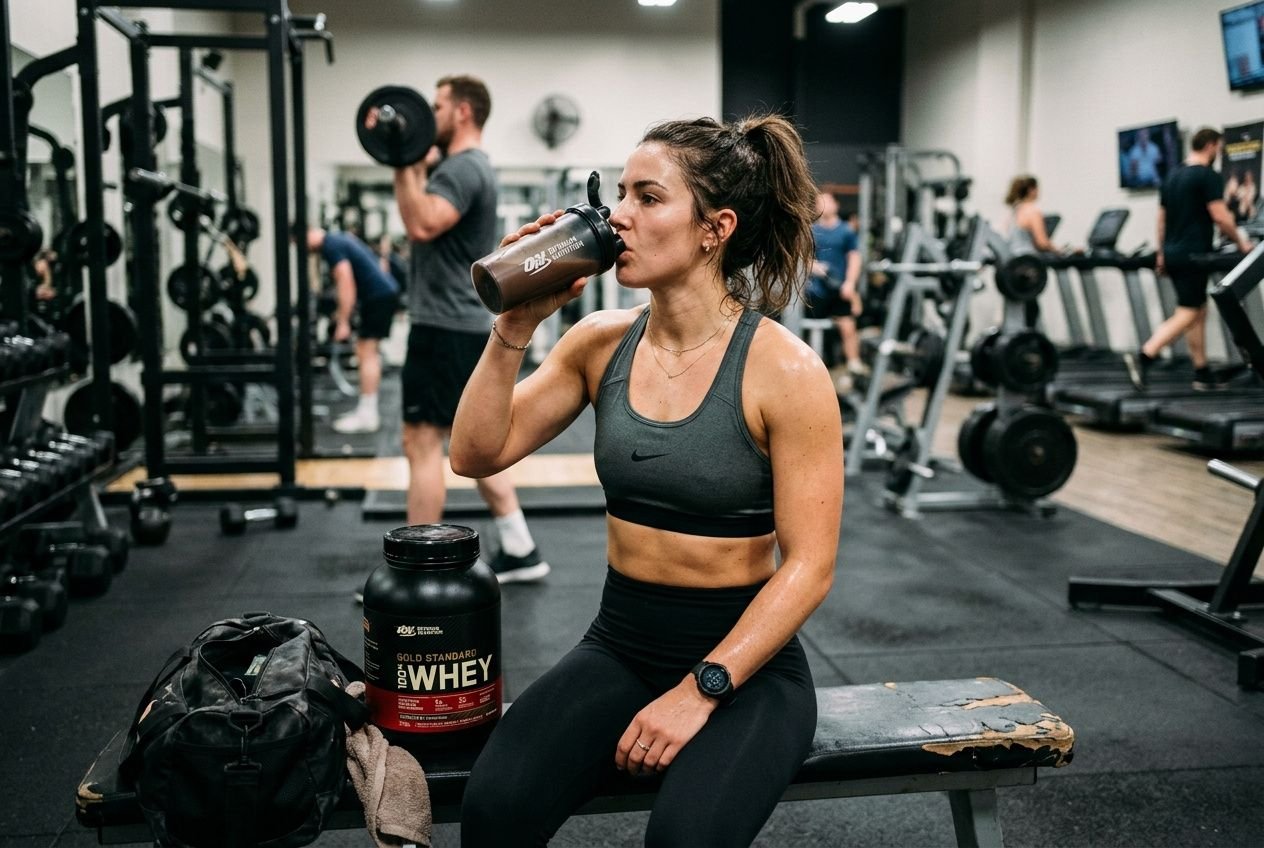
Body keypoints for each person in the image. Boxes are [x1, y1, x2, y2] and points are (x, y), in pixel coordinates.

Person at [450, 114, 843, 847]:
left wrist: (702, 689)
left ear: (713, 228)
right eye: (619, 193)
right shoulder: (599, 343)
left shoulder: (785, 371)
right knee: (493, 810)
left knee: (681, 842)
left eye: (647, 197)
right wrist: (516, 324)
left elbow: (812, 565)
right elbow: (473, 454)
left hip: (748, 668)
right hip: (621, 642)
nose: (618, 216)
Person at [386, 74, 547, 582]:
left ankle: (415, 570)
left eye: (434, 107)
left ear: (461, 113)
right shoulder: (465, 166)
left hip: (442, 325)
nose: (426, 117)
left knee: (423, 441)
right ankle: (519, 547)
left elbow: (423, 223)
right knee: (472, 443)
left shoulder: (462, 169)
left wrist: (403, 161)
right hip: (457, 323)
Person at [1125, 127, 1253, 392]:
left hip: (1173, 252)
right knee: (1189, 311)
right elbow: (1219, 215)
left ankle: (1201, 371)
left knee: (1197, 310)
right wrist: (1242, 243)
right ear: (1210, 146)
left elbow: (1161, 219)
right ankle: (1145, 355)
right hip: (1194, 254)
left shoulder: (1172, 176)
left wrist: (1161, 252)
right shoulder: (1207, 176)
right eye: (1218, 148)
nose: (1218, 153)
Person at [307, 227, 400, 434]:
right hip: (381, 294)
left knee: (366, 351)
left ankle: (368, 414)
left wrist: (343, 322)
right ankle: (367, 410)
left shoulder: (330, 245)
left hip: (378, 297)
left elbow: (345, 282)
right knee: (366, 351)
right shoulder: (338, 238)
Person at [806, 190, 864, 376]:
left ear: (836, 205)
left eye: (827, 202)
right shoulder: (811, 231)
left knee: (847, 326)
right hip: (816, 291)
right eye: (819, 202)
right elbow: (803, 259)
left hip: (839, 289)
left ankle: (854, 364)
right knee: (808, 331)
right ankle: (811, 372)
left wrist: (850, 283)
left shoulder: (846, 231)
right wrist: (813, 267)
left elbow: (854, 258)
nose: (822, 206)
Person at [1005, 175, 1057, 253]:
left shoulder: (1014, 210)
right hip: (1028, 259)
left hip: (1012, 256)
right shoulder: (1033, 211)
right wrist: (1060, 250)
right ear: (1031, 190)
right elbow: (1042, 243)